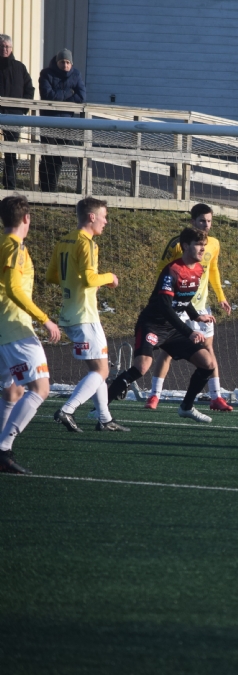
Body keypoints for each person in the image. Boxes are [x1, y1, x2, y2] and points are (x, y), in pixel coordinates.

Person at [107, 228, 218, 423]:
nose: (203, 249)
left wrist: (196, 316)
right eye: (199, 245)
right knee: (142, 367)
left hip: (172, 328)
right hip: (152, 325)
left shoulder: (199, 270)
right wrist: (189, 331)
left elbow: (183, 299)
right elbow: (165, 307)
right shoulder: (172, 270)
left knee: (208, 363)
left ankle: (186, 407)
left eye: (204, 245)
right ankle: (101, 406)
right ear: (185, 246)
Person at [47, 197, 128, 433]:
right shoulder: (88, 243)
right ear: (92, 217)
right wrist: (110, 278)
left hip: (70, 314)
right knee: (102, 371)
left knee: (97, 370)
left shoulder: (65, 240)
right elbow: (91, 278)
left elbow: (52, 276)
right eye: (104, 216)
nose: (106, 221)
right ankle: (67, 409)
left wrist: (78, 282)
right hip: (85, 315)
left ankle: (104, 419)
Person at [146, 203, 232, 411]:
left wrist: (221, 296)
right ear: (193, 221)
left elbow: (213, 270)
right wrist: (169, 297)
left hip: (201, 306)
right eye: (202, 221)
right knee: (167, 351)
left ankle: (216, 397)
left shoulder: (214, 244)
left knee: (209, 349)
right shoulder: (179, 245)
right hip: (180, 305)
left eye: (209, 221)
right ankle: (154, 394)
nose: (206, 225)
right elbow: (163, 270)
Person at [0, 196, 61, 475]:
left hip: (4, 329)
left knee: (13, 391)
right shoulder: (16, 248)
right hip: (15, 328)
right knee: (40, 388)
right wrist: (45, 319)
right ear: (27, 218)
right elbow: (14, 289)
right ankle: (4, 449)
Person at [38, 49, 86, 192]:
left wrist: (61, 98)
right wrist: (69, 93)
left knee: (59, 157)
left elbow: (81, 96)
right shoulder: (46, 74)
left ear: (71, 64)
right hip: (48, 121)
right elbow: (47, 95)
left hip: (66, 123)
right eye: (62, 62)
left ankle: (52, 188)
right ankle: (44, 188)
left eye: (67, 62)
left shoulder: (76, 75)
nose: (65, 65)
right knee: (47, 156)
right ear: (57, 62)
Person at [0, 34, 34, 190]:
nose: (4, 49)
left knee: (11, 152)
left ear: (11, 48)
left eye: (7, 46)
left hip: (14, 115)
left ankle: (10, 185)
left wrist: (22, 110)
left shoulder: (20, 68)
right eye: (2, 46)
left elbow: (29, 89)